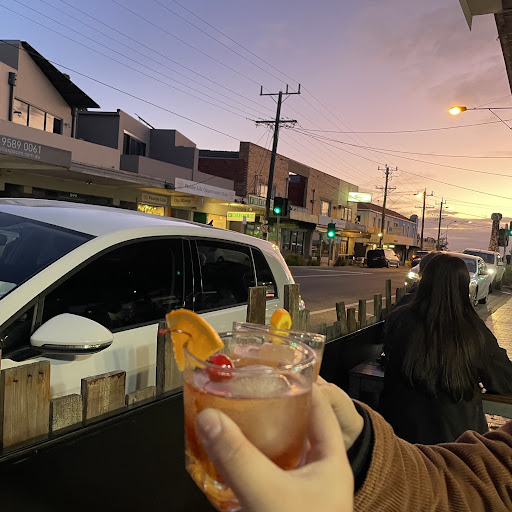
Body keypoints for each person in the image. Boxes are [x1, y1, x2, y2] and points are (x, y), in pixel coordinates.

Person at [197, 379, 512, 512]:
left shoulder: (402, 315)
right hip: (444, 429)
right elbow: (486, 479)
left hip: (401, 418)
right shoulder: (473, 331)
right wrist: (363, 449)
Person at [380, 253, 512, 444]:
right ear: (463, 286)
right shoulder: (473, 330)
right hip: (456, 444)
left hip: (399, 438)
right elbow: (504, 379)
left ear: (424, 281)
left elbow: (388, 359)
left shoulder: (399, 319)